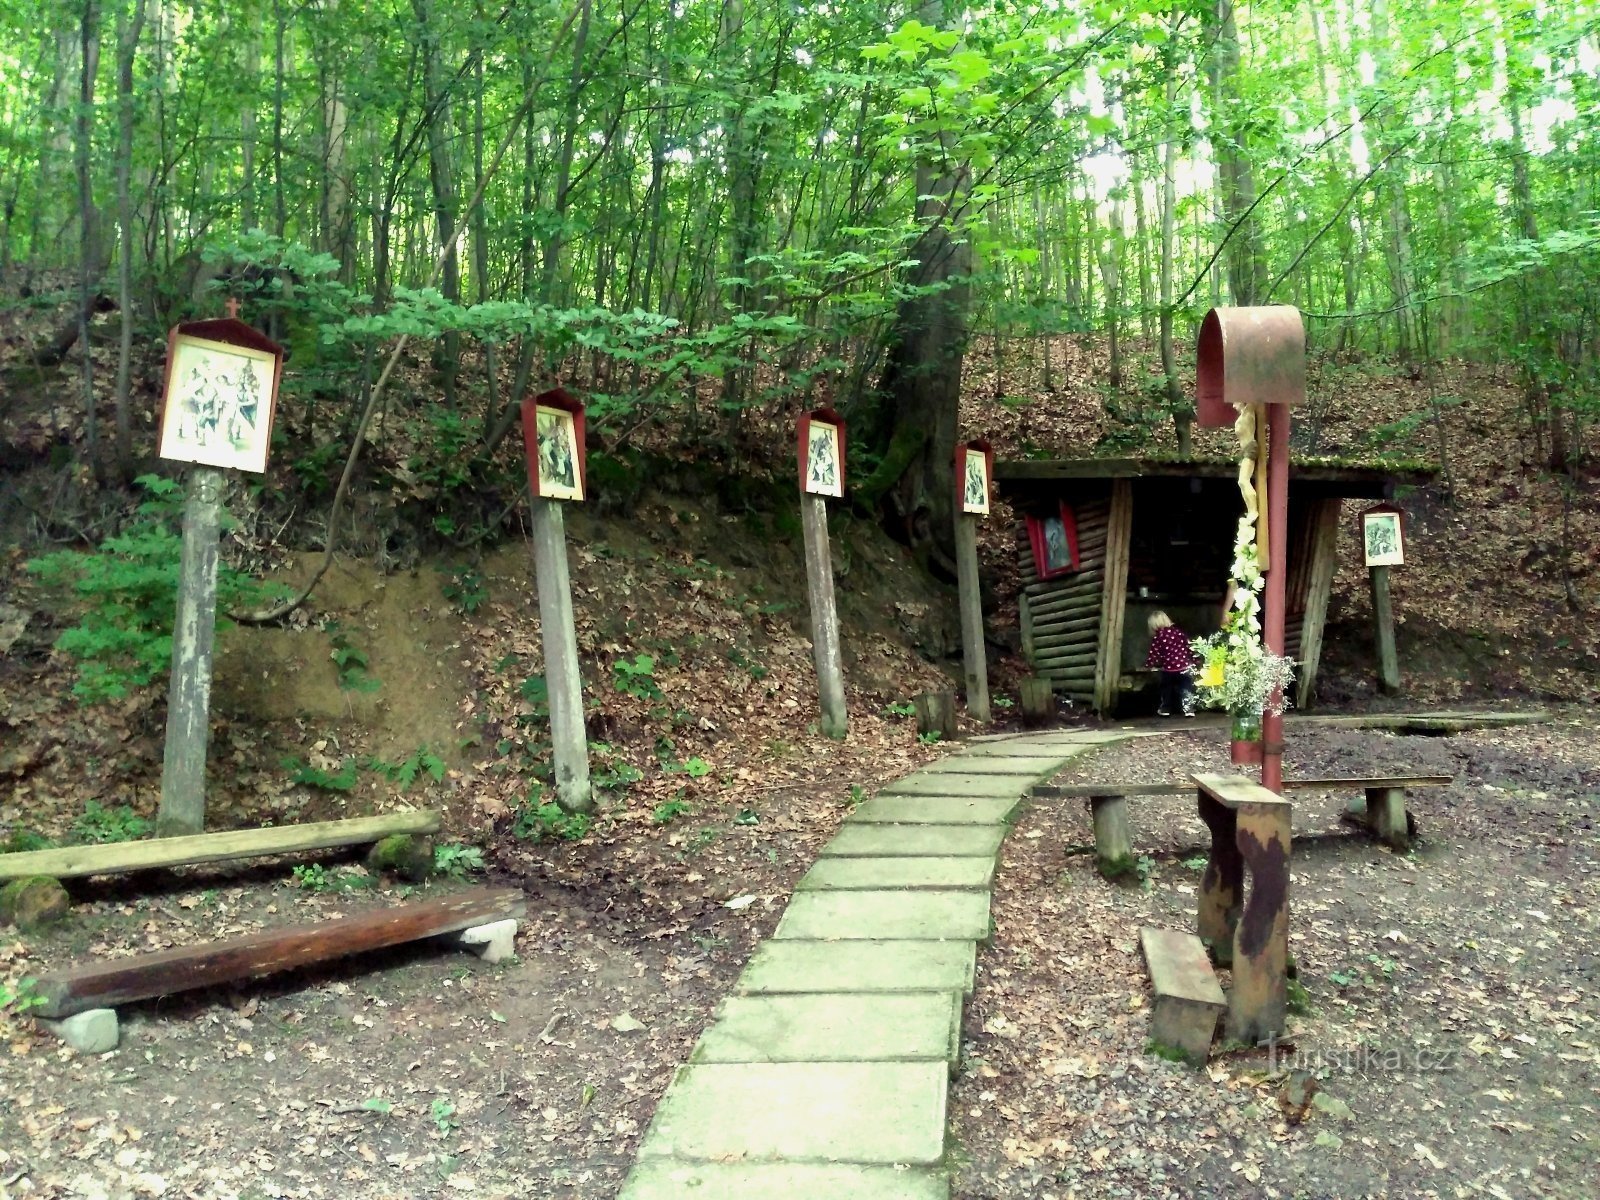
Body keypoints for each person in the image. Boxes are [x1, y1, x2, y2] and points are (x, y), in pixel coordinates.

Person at [1145, 611, 1196, 717]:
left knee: (1166, 688)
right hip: (1184, 667)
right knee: (1186, 688)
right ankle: (1189, 709)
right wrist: (1195, 660)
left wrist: (1149, 665)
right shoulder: (1178, 633)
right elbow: (1189, 646)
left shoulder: (1158, 637)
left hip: (1169, 669)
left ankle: (1165, 708)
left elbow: (1154, 653)